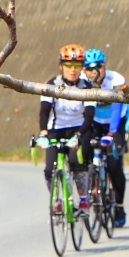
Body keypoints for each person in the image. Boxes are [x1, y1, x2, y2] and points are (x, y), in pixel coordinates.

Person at [37, 44, 95, 212]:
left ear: (82, 67)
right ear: (61, 66)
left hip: (79, 129)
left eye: (77, 66)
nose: (73, 70)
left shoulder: (87, 86)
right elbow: (44, 112)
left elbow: (89, 115)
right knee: (49, 169)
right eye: (69, 65)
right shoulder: (51, 84)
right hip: (56, 129)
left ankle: (83, 198)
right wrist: (43, 133)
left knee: (77, 164)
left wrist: (78, 135)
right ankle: (56, 200)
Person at [82, 48, 129, 227]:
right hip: (94, 122)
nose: (94, 71)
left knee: (114, 164)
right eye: (89, 68)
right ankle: (90, 187)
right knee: (83, 150)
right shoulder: (83, 82)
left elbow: (117, 109)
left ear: (104, 66)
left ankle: (119, 205)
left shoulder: (114, 79)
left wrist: (112, 133)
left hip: (115, 122)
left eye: (98, 67)